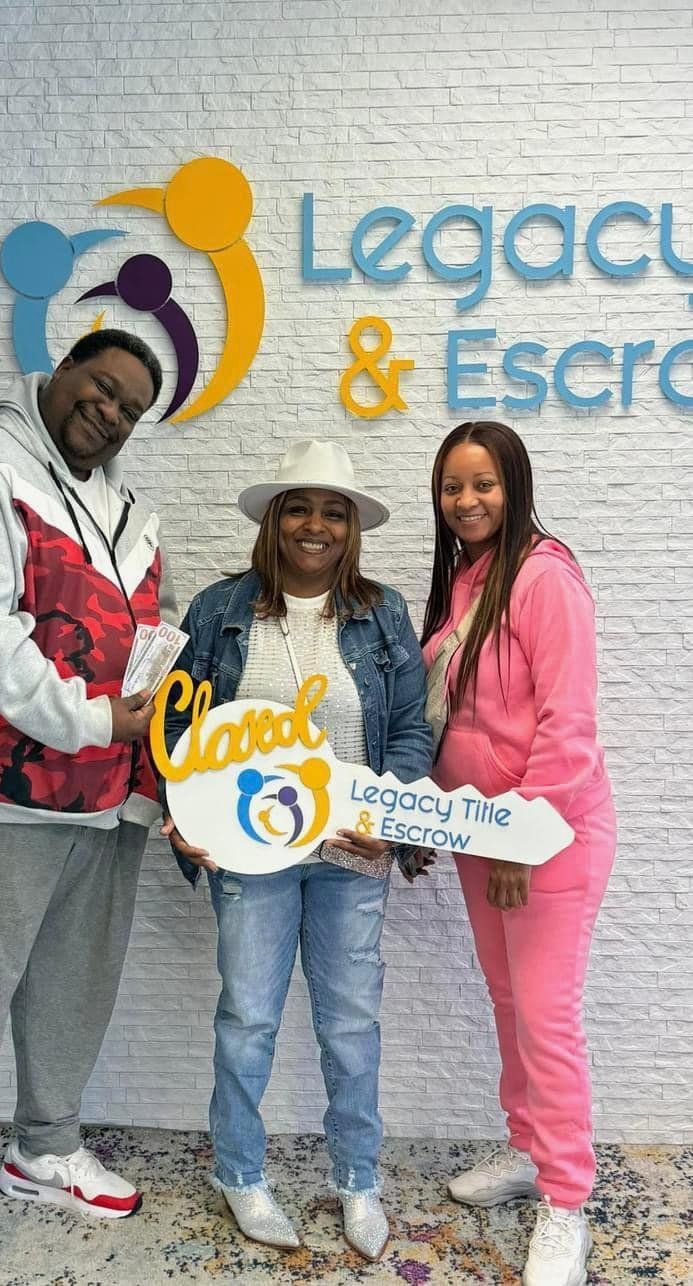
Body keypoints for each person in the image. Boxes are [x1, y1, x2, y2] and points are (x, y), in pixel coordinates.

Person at [0, 329, 176, 1286]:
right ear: (58, 373)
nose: (109, 412)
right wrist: (101, 714)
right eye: (100, 388)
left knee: (73, 986)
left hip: (108, 796)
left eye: (130, 409)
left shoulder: (132, 508)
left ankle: (44, 1146)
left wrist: (155, 765)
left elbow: (154, 636)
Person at [160, 440, 432, 1261]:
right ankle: (239, 1173)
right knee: (247, 1018)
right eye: (300, 508)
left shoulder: (381, 614)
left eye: (333, 511)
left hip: (351, 852)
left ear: (351, 529)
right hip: (249, 855)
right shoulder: (218, 611)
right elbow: (176, 727)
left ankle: (357, 1181)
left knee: (349, 1024)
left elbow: (413, 731)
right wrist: (184, 812)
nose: (315, 524)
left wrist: (389, 812)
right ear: (275, 520)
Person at [421, 421, 615, 1286]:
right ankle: (529, 1151)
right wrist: (429, 823)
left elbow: (566, 728)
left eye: (483, 484)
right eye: (453, 487)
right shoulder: (466, 581)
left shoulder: (544, 577)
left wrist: (520, 835)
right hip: (480, 839)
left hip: (546, 840)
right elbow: (454, 720)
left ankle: (565, 1202)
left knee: (545, 1014)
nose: (466, 501)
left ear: (515, 485)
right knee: (508, 1001)